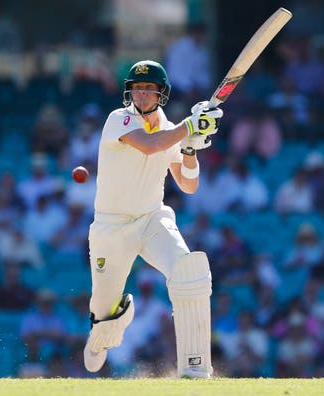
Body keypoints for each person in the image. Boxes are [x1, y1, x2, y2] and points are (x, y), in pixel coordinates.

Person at [82, 60, 223, 379]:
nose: (142, 94)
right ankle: (102, 334)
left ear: (161, 93)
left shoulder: (171, 130)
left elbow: (188, 185)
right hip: (111, 228)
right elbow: (149, 146)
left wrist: (190, 149)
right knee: (104, 312)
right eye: (137, 88)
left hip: (151, 220)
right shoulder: (119, 119)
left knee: (189, 272)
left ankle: (195, 366)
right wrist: (189, 127)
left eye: (149, 89)